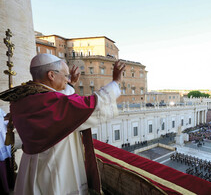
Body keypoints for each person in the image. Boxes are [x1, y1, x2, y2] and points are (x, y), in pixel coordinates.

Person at [0, 53, 125, 195]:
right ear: (51, 75)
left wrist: (70, 84)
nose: (68, 79)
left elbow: (62, 101)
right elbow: (90, 105)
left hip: (30, 165)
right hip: (53, 168)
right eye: (66, 76)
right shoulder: (52, 102)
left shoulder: (24, 97)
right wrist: (115, 82)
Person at [0, 108, 11, 195]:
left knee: (6, 164)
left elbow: (4, 121)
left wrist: (9, 121)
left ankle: (8, 186)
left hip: (3, 141)